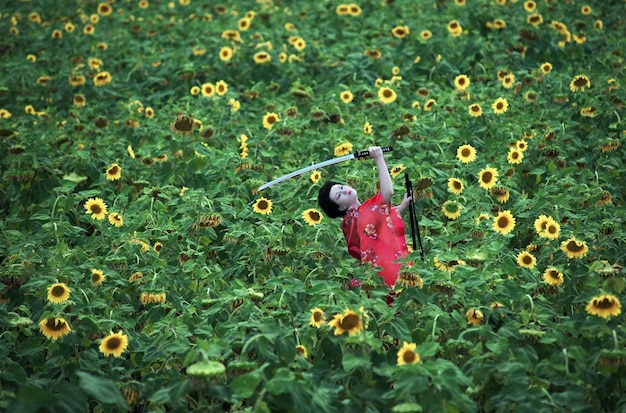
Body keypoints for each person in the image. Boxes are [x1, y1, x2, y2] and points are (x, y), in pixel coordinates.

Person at [317, 146, 412, 288]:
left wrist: (401, 207)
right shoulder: (359, 214)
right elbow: (387, 193)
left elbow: (378, 222)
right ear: (341, 207)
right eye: (339, 195)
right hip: (388, 273)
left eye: (341, 187)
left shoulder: (350, 220)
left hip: (374, 277)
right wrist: (379, 158)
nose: (345, 191)